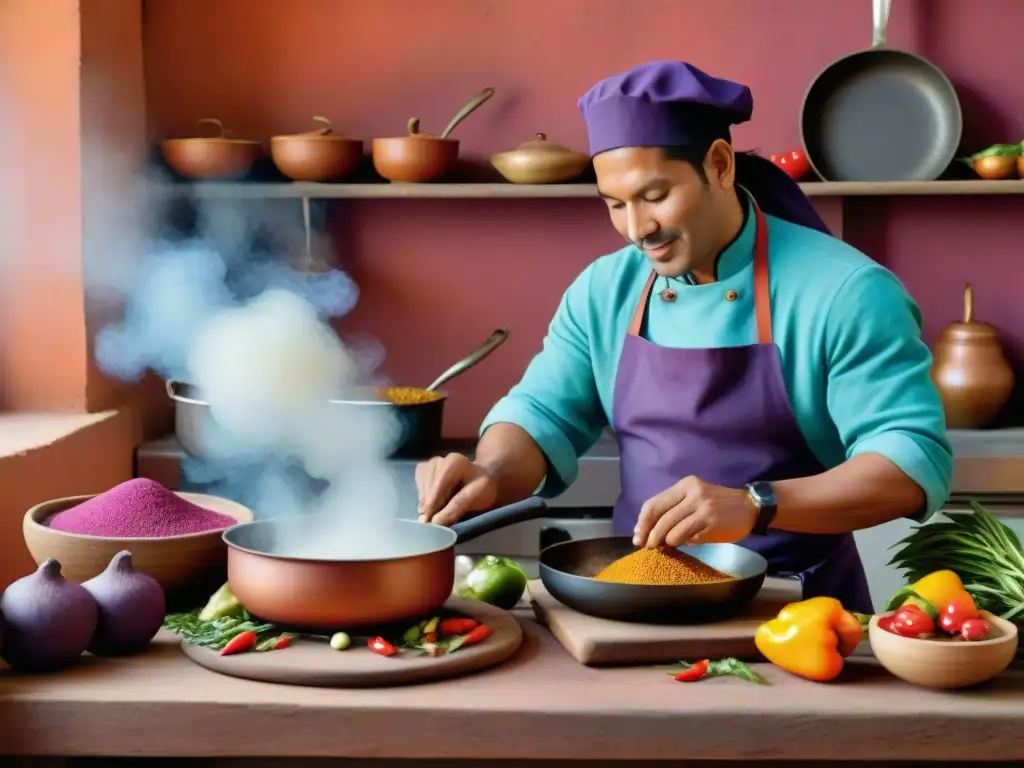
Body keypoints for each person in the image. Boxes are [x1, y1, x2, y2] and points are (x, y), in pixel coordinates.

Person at [414, 60, 953, 613]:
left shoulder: (845, 291)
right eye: (614, 204)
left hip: (803, 614)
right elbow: (542, 413)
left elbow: (909, 461)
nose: (637, 229)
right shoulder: (605, 288)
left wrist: (757, 503)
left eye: (654, 195)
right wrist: (490, 473)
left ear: (718, 165)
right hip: (635, 600)